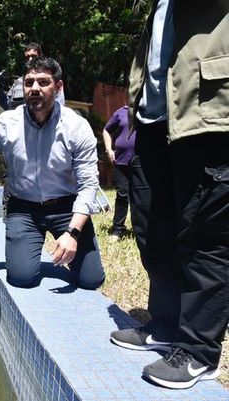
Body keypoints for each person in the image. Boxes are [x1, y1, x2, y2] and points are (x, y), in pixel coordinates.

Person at [109, 0, 229, 390]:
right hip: (151, 120)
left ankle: (198, 351)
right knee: (152, 229)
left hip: (205, 113)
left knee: (203, 236)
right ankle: (163, 325)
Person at [0, 56, 105, 290]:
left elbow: (88, 186)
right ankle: (26, 246)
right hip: (24, 208)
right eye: (29, 82)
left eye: (43, 82)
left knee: (91, 279)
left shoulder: (76, 126)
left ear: (58, 87)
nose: (34, 88)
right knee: (21, 278)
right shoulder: (7, 122)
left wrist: (73, 233)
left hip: (65, 206)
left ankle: (68, 245)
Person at [0, 43, 66, 111]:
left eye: (33, 56)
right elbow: (6, 105)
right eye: (27, 57)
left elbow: (59, 105)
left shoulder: (50, 81)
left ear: (40, 57)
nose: (30, 60)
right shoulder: (19, 81)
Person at [101, 105, 135, 241]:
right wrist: (109, 149)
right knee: (122, 195)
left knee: (140, 197)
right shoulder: (121, 111)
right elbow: (106, 130)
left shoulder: (146, 110)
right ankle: (117, 230)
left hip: (142, 163)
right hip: (121, 162)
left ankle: (141, 229)